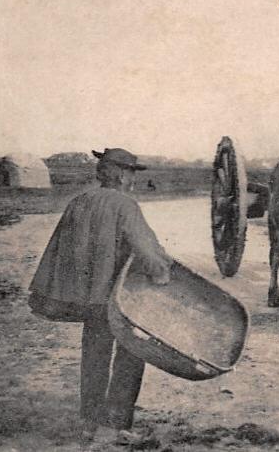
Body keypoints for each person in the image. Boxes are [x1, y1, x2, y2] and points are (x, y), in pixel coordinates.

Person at [29, 148, 171, 444]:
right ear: (120, 174)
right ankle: (114, 425)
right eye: (131, 172)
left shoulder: (79, 202)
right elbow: (147, 251)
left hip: (89, 300)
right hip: (118, 301)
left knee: (94, 355)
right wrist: (162, 273)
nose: (132, 178)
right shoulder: (125, 205)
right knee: (131, 355)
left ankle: (89, 421)